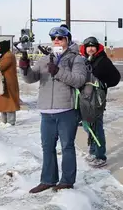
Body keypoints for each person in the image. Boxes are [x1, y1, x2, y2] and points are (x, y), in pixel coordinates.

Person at [19, 25, 87, 193]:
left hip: (66, 110)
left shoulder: (76, 59)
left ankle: (67, 181)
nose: (57, 40)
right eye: (54, 38)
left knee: (67, 147)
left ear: (67, 40)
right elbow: (30, 79)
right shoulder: (44, 59)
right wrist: (24, 68)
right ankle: (48, 180)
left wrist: (58, 71)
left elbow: (79, 80)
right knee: (47, 147)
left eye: (61, 38)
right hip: (46, 112)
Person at [79, 36, 121, 168]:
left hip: (96, 99)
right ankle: (92, 150)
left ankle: (100, 155)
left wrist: (103, 85)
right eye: (88, 47)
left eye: (93, 47)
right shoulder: (85, 60)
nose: (91, 49)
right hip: (85, 97)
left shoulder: (102, 60)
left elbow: (115, 77)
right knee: (87, 125)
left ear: (97, 48)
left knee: (96, 126)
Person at [0, 40, 20, 126]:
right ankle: (4, 121)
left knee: (9, 102)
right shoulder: (5, 55)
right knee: (3, 102)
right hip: (4, 82)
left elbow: (1, 67)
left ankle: (10, 122)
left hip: (8, 83)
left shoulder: (8, 56)